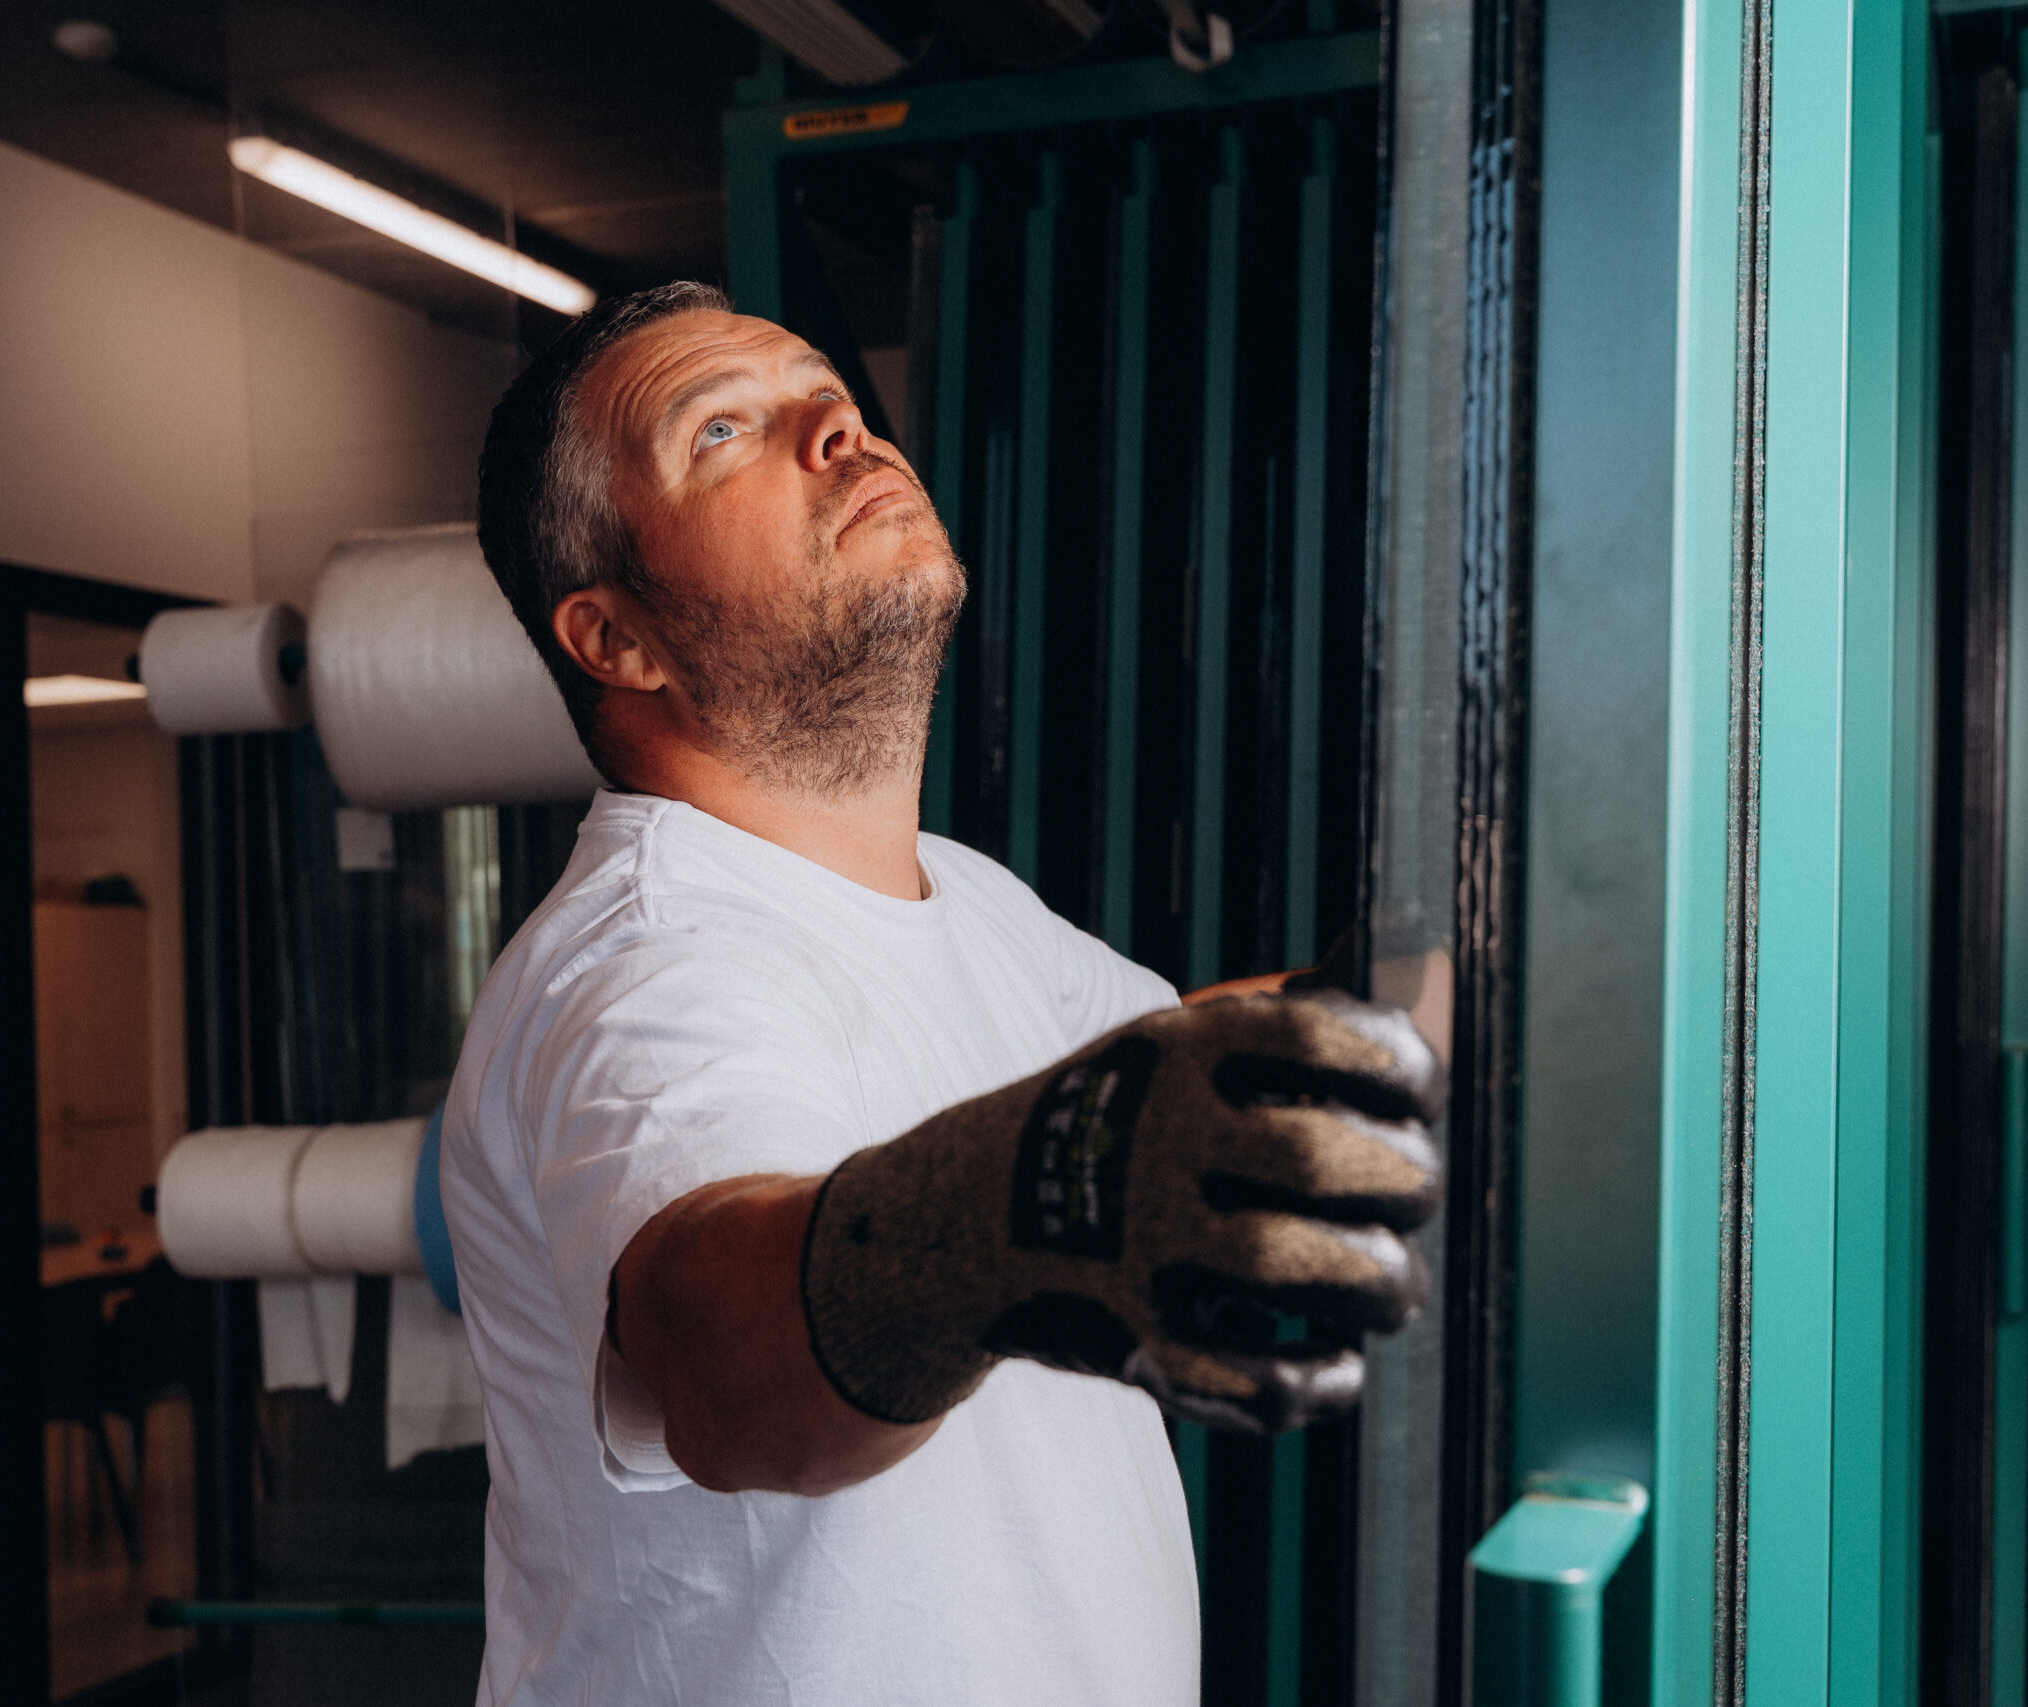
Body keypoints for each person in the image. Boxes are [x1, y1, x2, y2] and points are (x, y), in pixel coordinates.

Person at [445, 281, 1442, 1707]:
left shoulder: (960, 897)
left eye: (830, 400)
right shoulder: (648, 960)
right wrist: (1002, 1220)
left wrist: (1515, 926)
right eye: (725, 429)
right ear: (617, 640)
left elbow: (1209, 1068)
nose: (836, 432)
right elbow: (720, 1361)